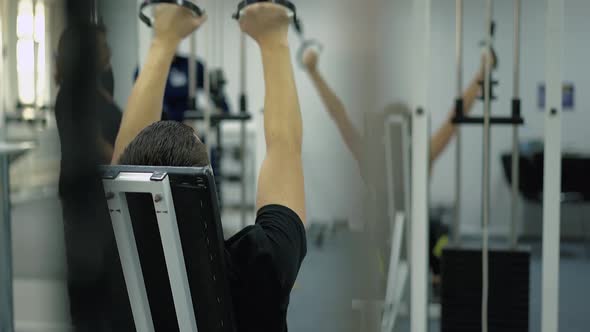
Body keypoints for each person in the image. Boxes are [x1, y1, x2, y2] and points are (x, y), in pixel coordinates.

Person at [111, 3, 306, 331]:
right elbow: (285, 148)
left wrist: (162, 40)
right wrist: (274, 40)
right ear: (206, 184)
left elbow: (122, 162)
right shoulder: (258, 267)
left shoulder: (117, 265)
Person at [301, 46, 495, 282]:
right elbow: (455, 117)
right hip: (403, 236)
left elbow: (338, 114)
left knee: (429, 231)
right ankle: (429, 273)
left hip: (392, 235)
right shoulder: (422, 154)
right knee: (436, 232)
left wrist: (313, 72)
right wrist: (482, 72)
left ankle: (421, 272)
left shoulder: (371, 156)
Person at [54, 23, 133, 331]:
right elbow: (98, 147)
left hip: (104, 197)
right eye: (102, 47)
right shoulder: (72, 96)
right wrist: (131, 157)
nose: (108, 52)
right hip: (85, 201)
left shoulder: (101, 84)